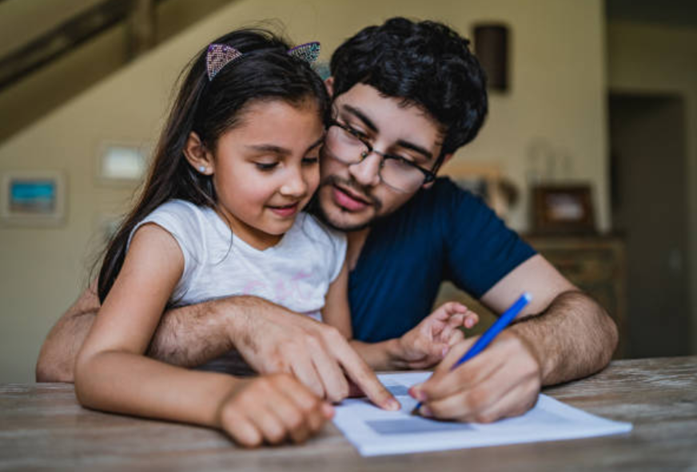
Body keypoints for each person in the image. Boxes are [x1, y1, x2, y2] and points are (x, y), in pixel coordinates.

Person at [38, 18, 618, 425]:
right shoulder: (202, 216)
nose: (365, 173)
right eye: (354, 133)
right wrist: (235, 319)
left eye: (405, 160)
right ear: (326, 98)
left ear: (439, 168)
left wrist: (529, 351)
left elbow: (591, 321)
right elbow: (65, 361)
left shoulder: (436, 214)